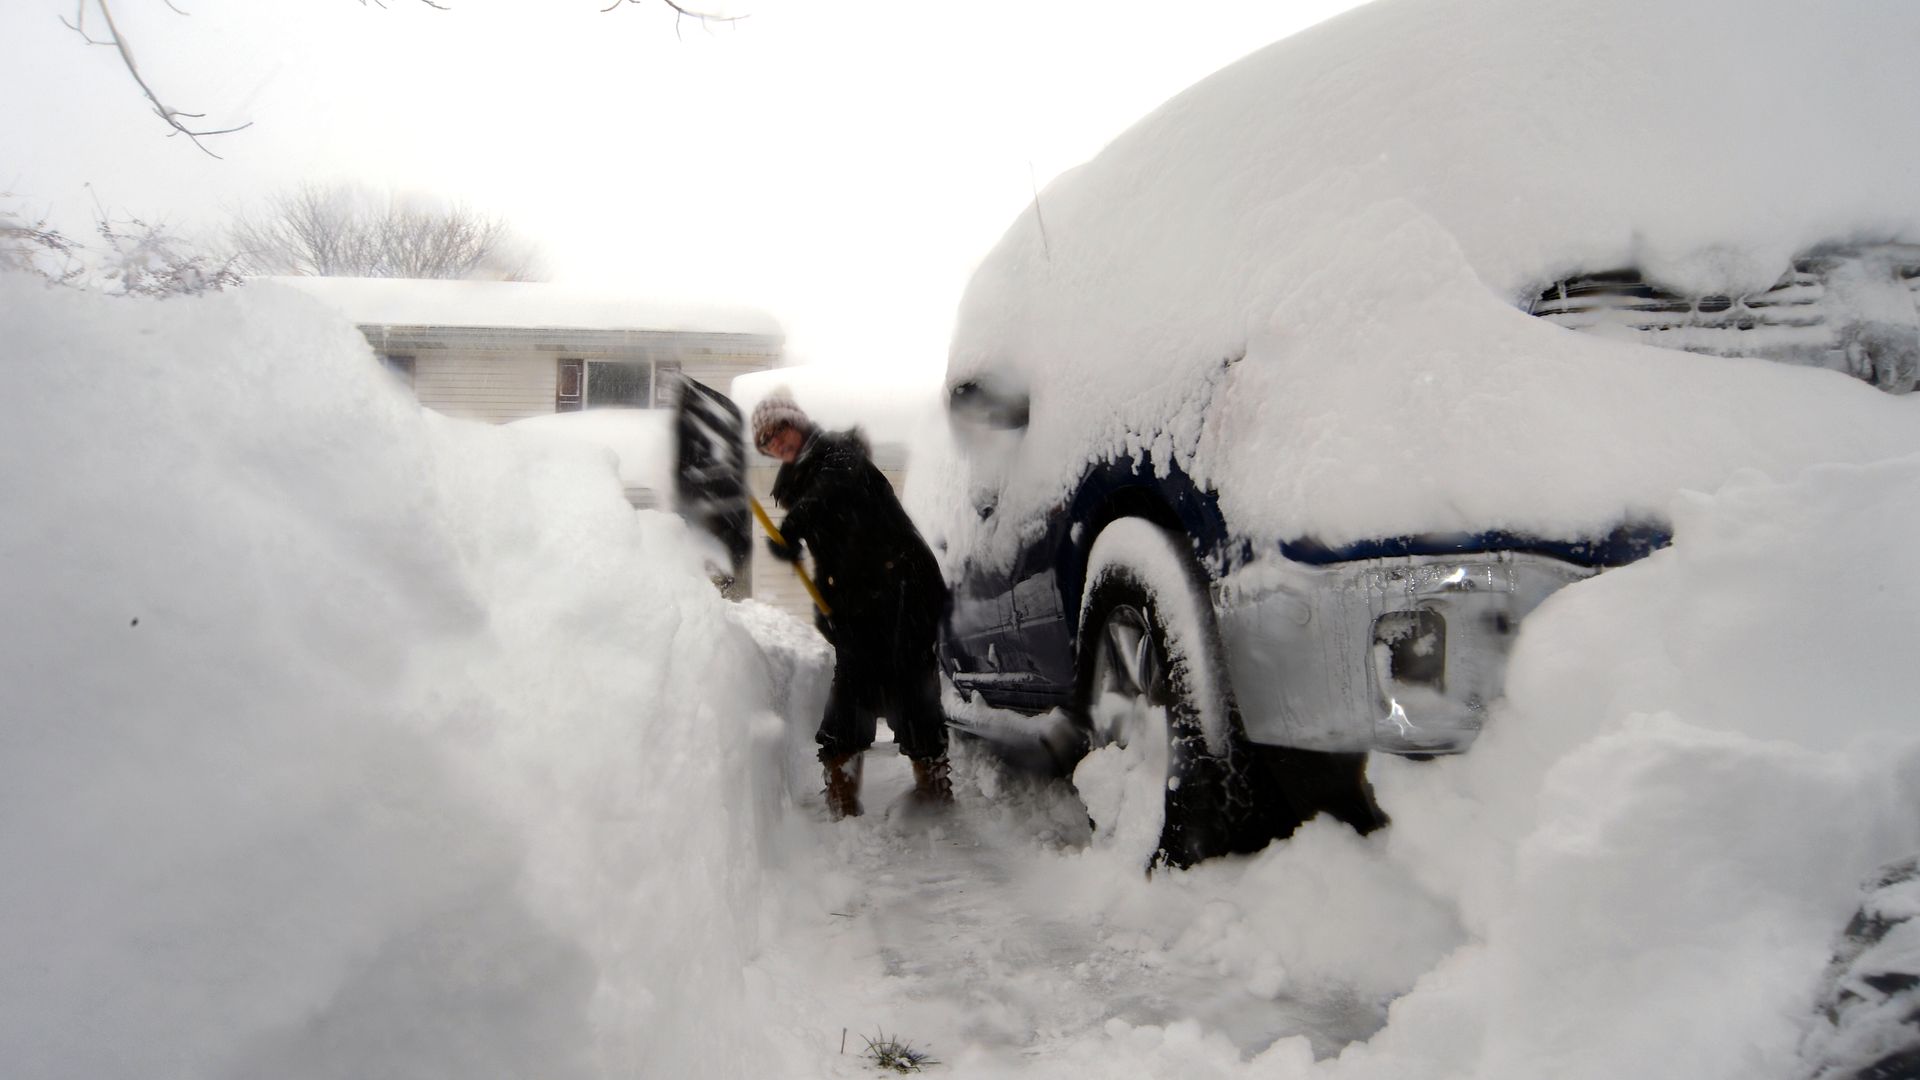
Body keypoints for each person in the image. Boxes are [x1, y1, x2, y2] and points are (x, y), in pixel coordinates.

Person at [752, 390, 952, 819]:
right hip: (860, 597)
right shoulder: (800, 483)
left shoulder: (840, 454)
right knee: (852, 685)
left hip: (903, 585)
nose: (774, 443)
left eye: (778, 430)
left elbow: (834, 492)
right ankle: (842, 787)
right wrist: (828, 608)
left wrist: (796, 525)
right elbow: (834, 552)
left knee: (909, 680)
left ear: (798, 422)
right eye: (765, 442)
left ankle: (932, 782)